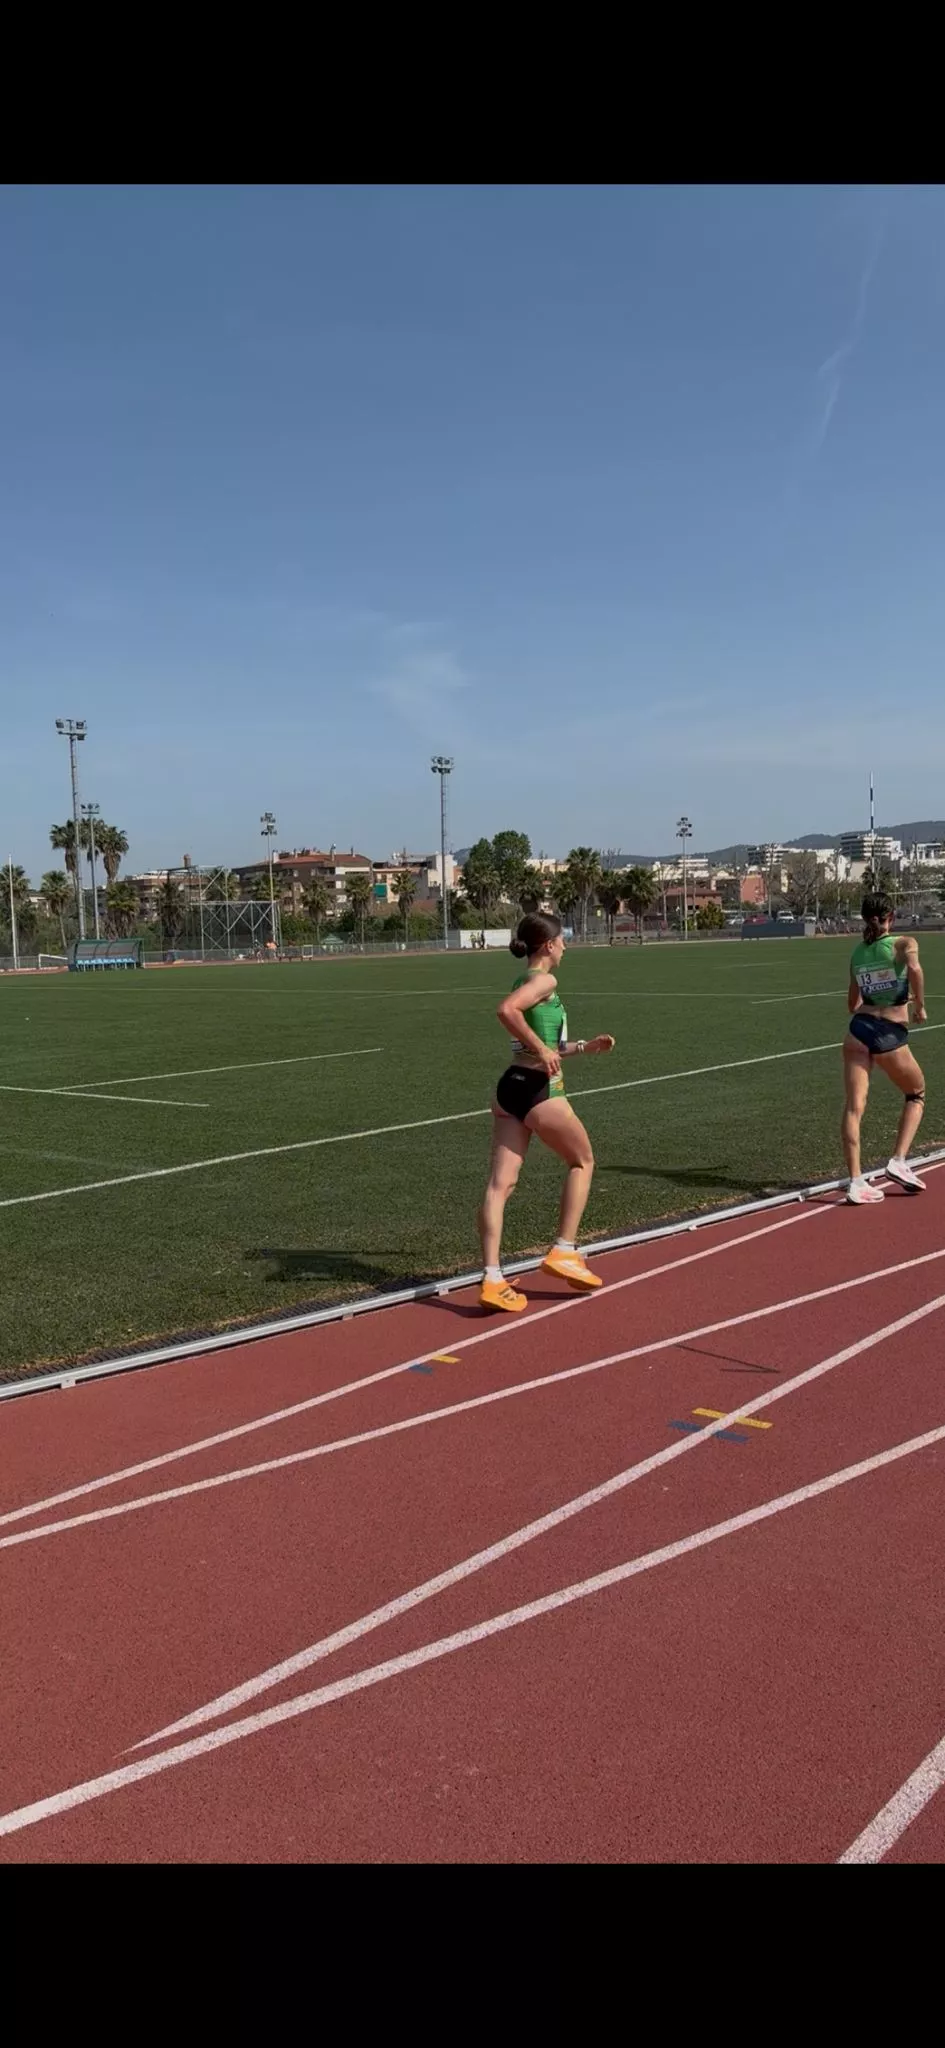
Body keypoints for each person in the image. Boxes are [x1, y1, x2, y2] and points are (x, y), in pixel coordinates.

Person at [478, 912, 615, 1311]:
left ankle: (491, 1278)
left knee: (499, 1186)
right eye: (563, 940)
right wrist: (541, 1050)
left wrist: (584, 1048)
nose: (566, 946)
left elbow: (541, 1044)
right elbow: (506, 1012)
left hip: (510, 1090)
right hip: (540, 1092)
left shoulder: (525, 981)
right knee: (582, 1161)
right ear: (548, 945)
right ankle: (564, 1250)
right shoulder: (545, 980)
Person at [842, 893, 927, 1205]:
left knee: (854, 1107)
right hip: (888, 1033)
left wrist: (874, 987)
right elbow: (915, 970)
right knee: (916, 1093)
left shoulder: (858, 952)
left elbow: (852, 1004)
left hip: (857, 1032)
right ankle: (898, 1161)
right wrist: (920, 1006)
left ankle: (855, 1181)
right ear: (891, 915)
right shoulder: (905, 943)